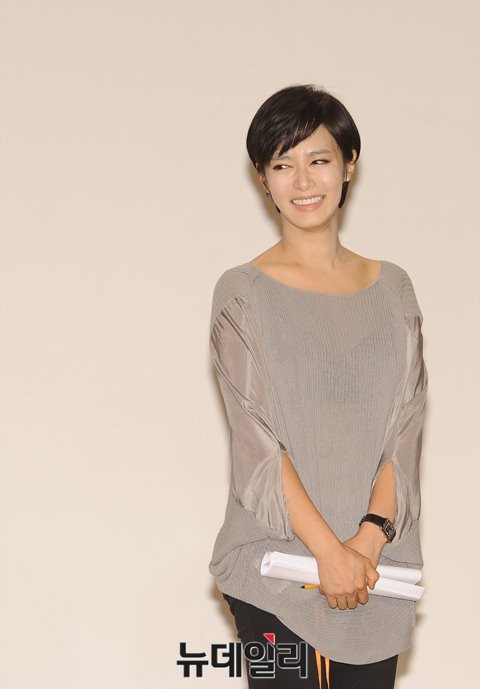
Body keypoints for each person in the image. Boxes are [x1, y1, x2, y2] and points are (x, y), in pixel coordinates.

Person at [208, 84, 427, 689]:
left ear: (349, 163)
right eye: (282, 164)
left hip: (377, 570)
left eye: (319, 159)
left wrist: (367, 542)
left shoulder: (393, 290)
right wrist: (330, 554)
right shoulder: (243, 293)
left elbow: (404, 432)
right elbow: (259, 446)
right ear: (263, 178)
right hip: (278, 572)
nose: (303, 181)